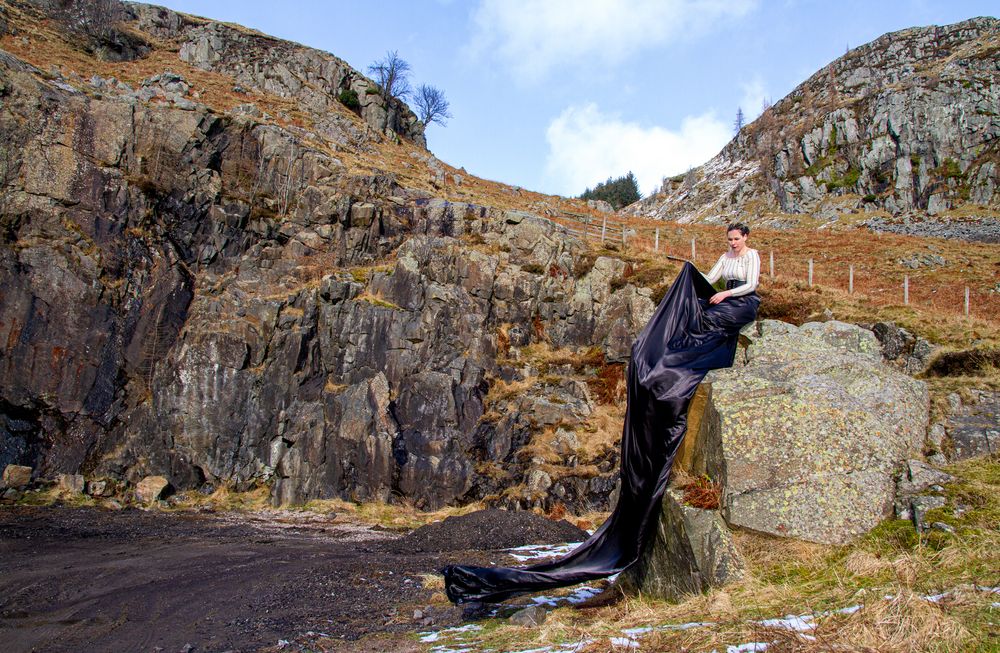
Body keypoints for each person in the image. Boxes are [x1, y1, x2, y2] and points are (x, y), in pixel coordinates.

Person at [442, 223, 761, 605]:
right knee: (690, 322)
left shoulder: (750, 258)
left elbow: (749, 286)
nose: (732, 244)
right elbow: (707, 279)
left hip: (742, 302)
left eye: (736, 239)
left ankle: (696, 351)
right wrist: (695, 278)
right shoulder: (725, 257)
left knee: (710, 325)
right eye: (729, 239)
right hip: (723, 300)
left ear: (745, 239)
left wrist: (725, 292)